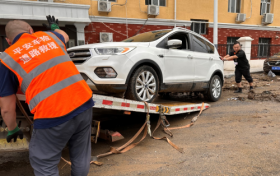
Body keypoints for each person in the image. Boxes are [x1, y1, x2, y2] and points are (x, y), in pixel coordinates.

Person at [0, 16, 94, 176]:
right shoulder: (49, 36)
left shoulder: (7, 59)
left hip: (52, 114)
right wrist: (54, 26)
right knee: (80, 154)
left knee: (43, 161)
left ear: (9, 41)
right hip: (84, 102)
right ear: (31, 31)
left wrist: (12, 129)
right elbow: (64, 34)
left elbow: (7, 108)